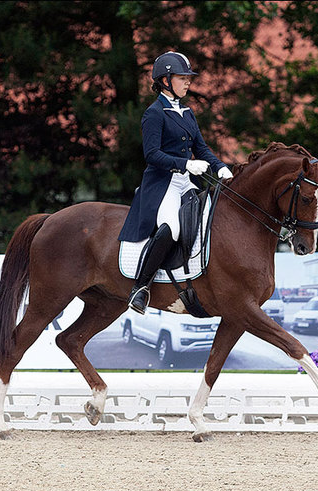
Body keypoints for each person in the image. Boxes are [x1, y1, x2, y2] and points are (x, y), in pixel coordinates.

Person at [118, 51, 233, 314]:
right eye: (182, 78)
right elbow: (152, 154)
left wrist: (221, 167)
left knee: (209, 220)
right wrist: (185, 164)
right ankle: (141, 287)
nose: (188, 82)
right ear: (166, 80)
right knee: (173, 227)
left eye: (188, 78)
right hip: (162, 184)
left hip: (186, 182)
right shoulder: (154, 113)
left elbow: (201, 149)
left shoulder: (187, 113)